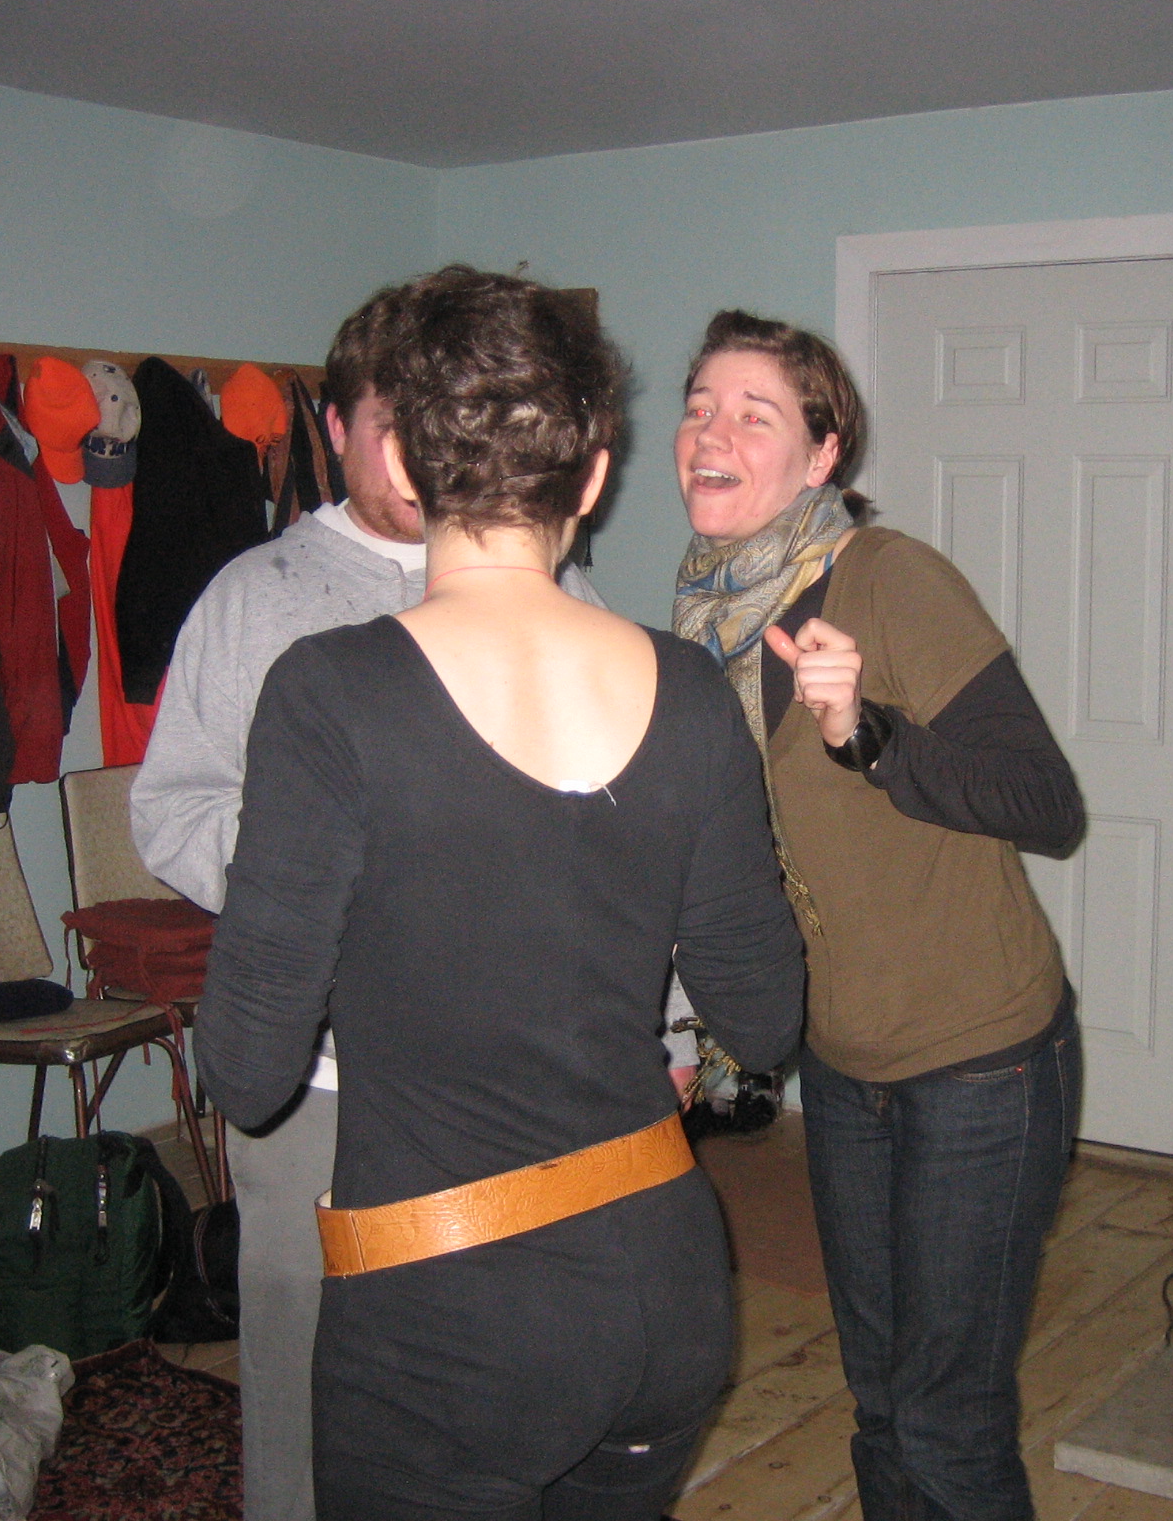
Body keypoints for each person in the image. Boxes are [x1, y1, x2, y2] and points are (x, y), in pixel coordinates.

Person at [194, 267, 805, 1519]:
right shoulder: (689, 691)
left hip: (446, 1318)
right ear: (591, 478)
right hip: (664, 1288)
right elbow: (765, 1018)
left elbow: (247, 1075)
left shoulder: (329, 693)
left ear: (401, 466)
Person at [130, 286, 605, 1521]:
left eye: (436, 419)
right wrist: (320, 873)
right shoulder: (257, 597)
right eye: (390, 422)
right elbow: (172, 810)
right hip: (318, 1077)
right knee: (304, 1375)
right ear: (338, 428)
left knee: (498, 1368)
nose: (415, 453)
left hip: (513, 1078)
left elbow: (613, 830)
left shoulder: (560, 592)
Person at [672, 311, 1087, 1521]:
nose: (711, 432)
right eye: (700, 407)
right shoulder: (703, 621)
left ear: (821, 455)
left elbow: (1045, 803)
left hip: (980, 1060)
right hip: (845, 1064)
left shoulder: (888, 579)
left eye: (754, 414)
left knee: (947, 1423)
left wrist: (871, 737)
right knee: (881, 1404)